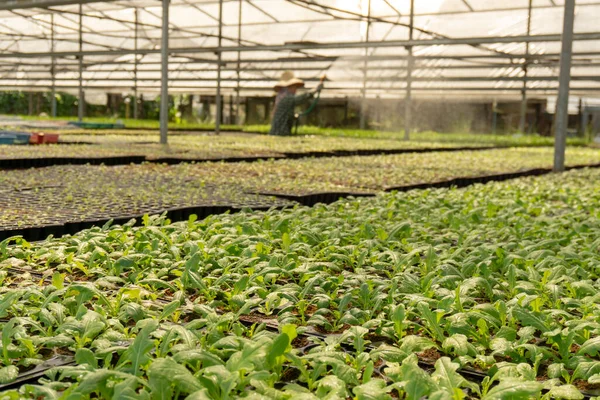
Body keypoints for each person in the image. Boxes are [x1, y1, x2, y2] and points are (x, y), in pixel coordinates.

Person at [269, 71, 324, 136]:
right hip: (280, 132)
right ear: (289, 87)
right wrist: (316, 90)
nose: (296, 89)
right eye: (294, 87)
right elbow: (300, 98)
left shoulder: (280, 97)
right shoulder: (286, 98)